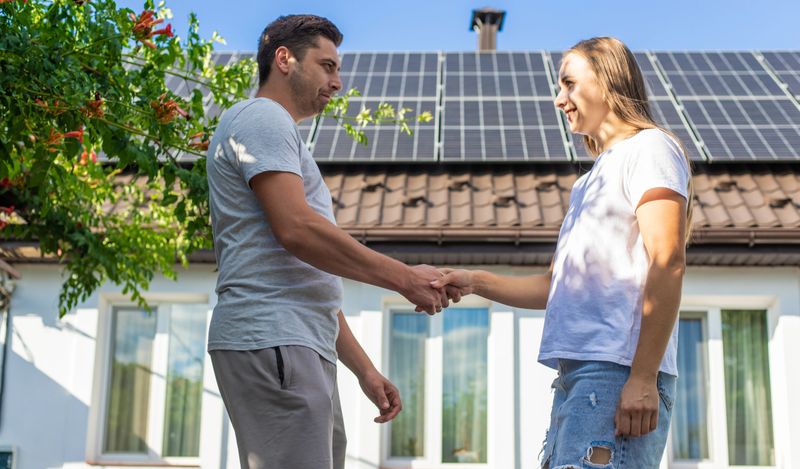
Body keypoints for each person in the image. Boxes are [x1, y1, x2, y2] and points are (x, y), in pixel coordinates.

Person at [432, 36, 693, 469]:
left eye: (569, 84)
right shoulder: (588, 182)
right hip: (577, 376)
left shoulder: (651, 149)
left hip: (617, 371)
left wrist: (644, 376)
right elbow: (555, 288)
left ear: (607, 81)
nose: (560, 99)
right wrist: (475, 281)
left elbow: (668, 261)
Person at [205, 15, 451, 469]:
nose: (337, 82)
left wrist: (365, 370)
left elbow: (306, 276)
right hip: (274, 337)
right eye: (327, 66)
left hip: (295, 339)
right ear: (284, 59)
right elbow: (297, 230)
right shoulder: (261, 118)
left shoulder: (277, 133)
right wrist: (402, 279)